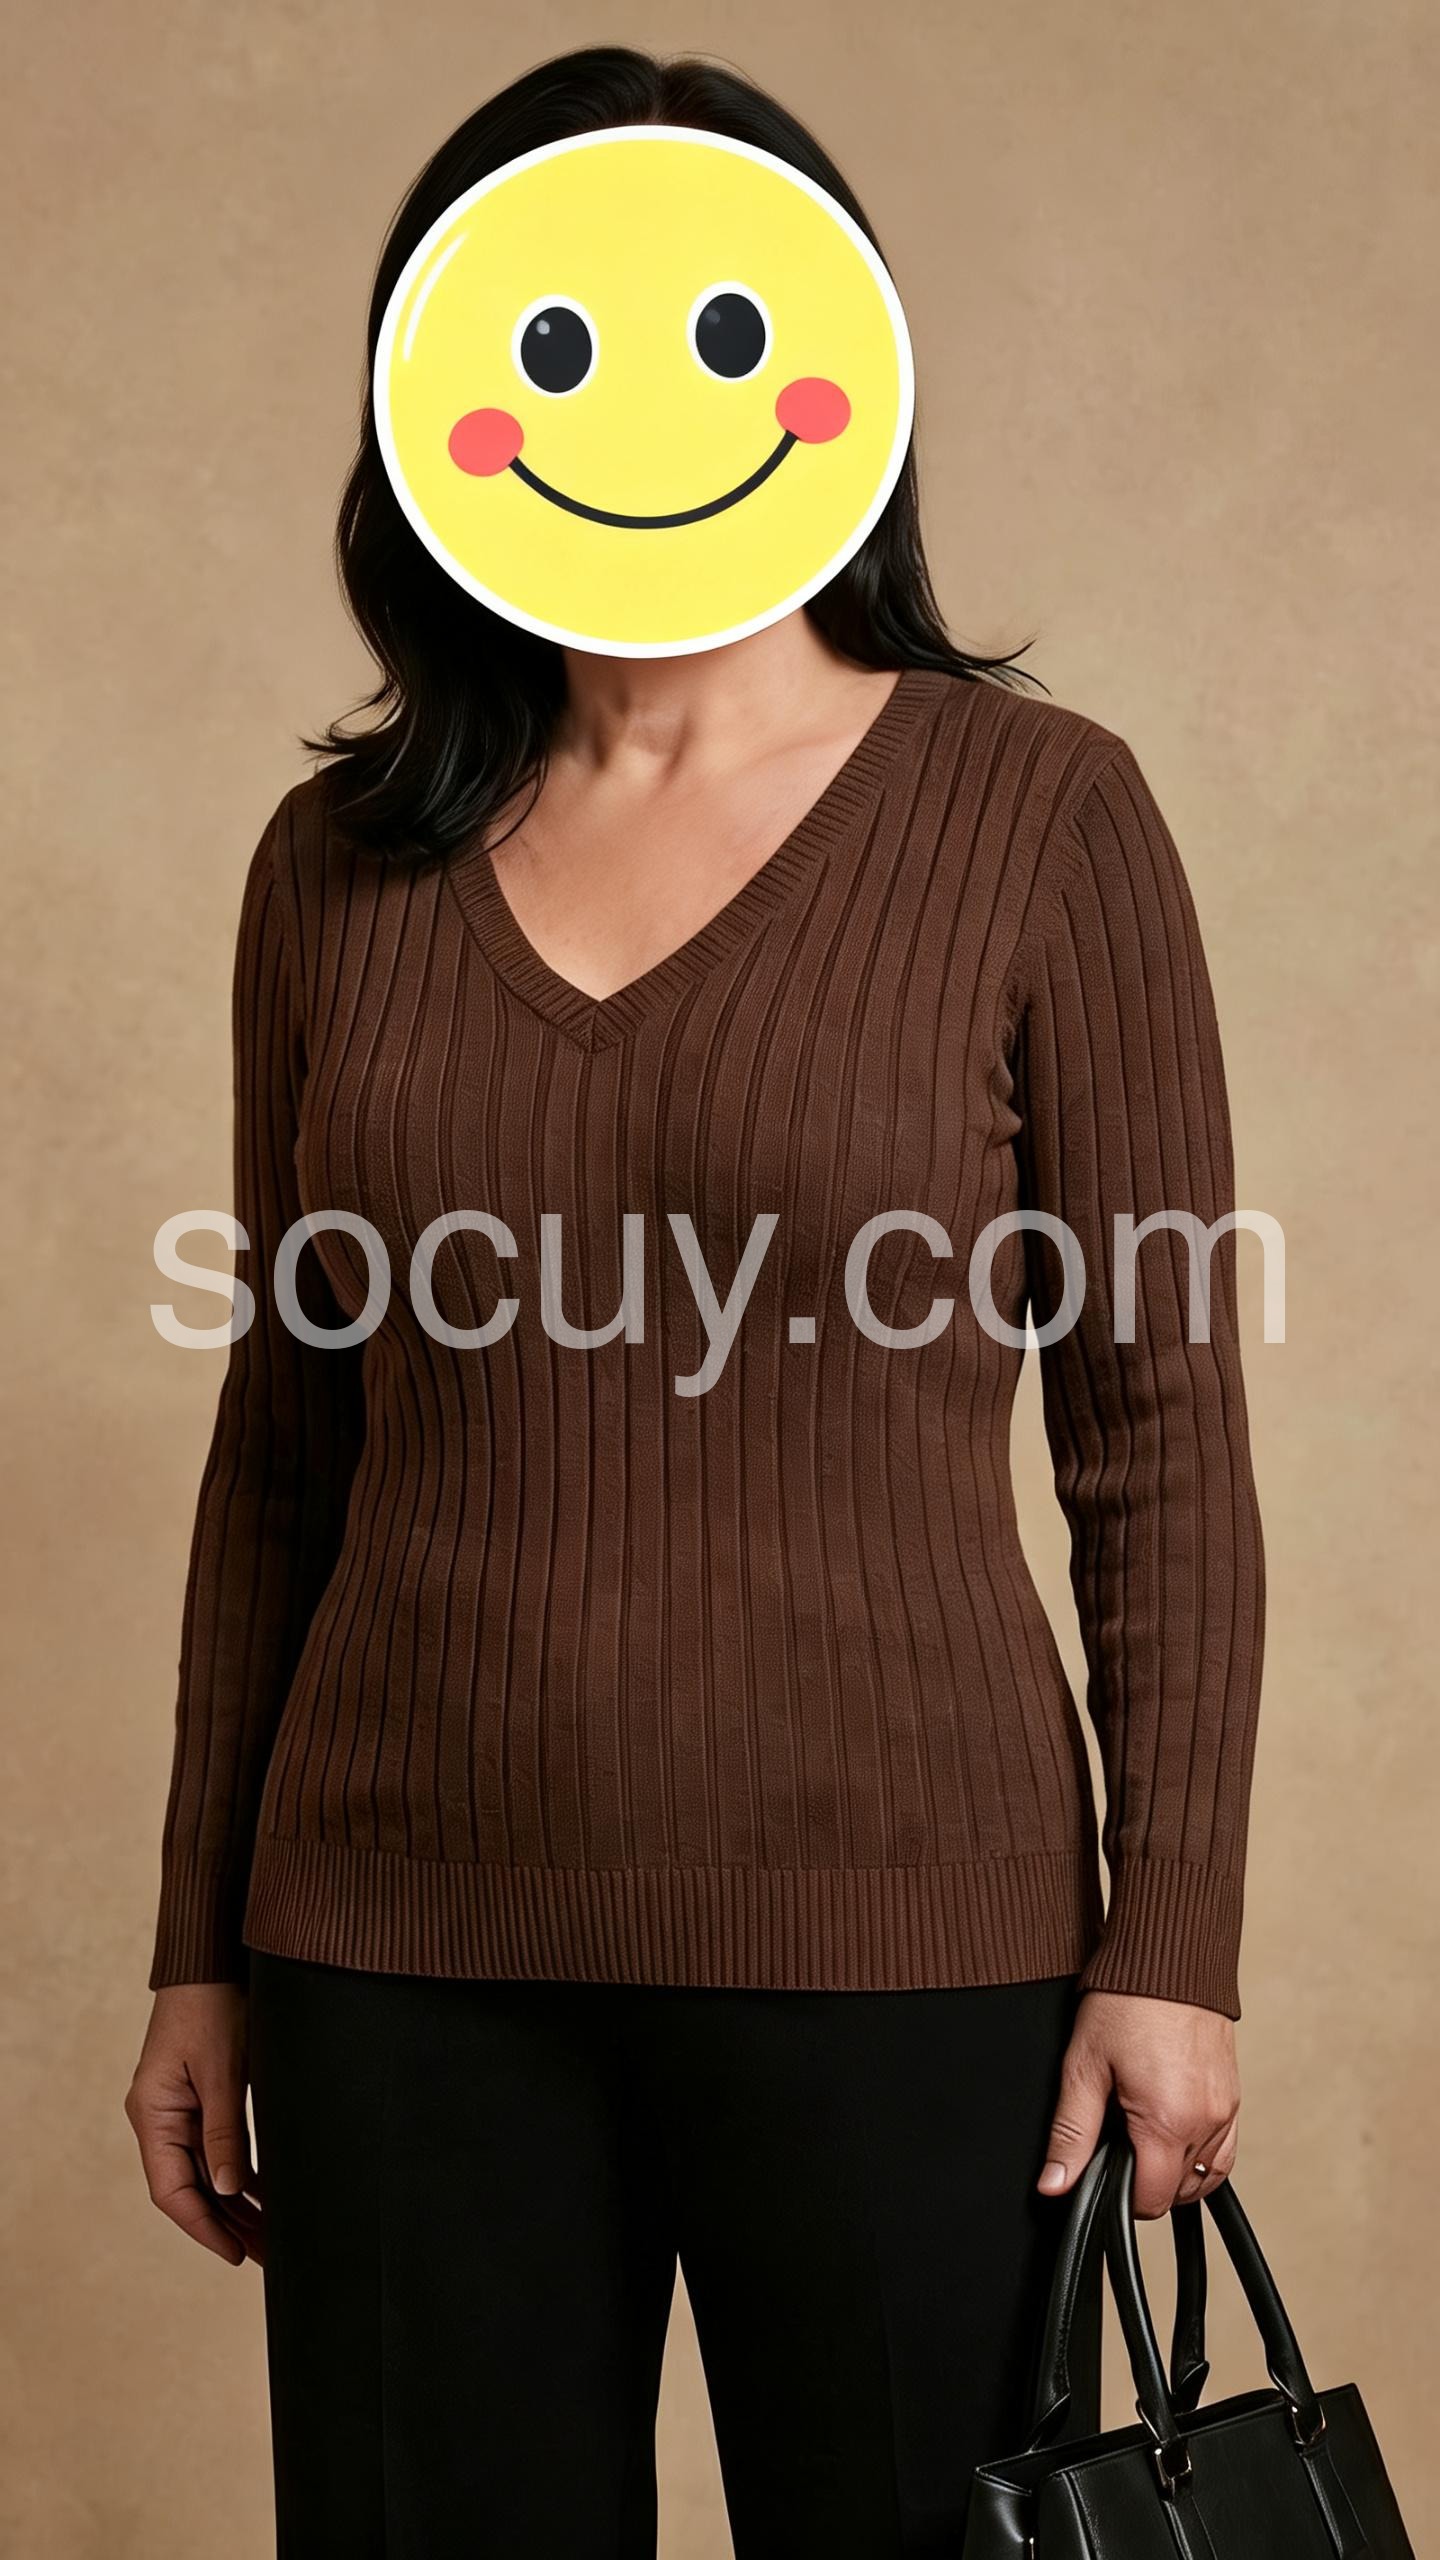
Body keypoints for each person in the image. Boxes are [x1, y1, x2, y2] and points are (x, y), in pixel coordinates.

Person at [125, 46, 1265, 2560]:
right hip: (398, 1952)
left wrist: (1172, 1938)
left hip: (912, 1948)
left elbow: (1158, 1420)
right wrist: (200, 1942)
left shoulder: (1040, 819)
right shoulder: (336, 863)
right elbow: (285, 1436)